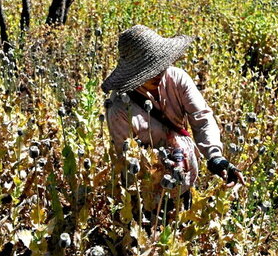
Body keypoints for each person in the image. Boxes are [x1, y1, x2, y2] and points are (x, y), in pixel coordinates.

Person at [102, 25, 245, 196]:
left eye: (160, 66)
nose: (157, 74)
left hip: (186, 174)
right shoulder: (119, 108)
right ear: (133, 72)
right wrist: (160, 162)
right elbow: (126, 157)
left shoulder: (177, 79)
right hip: (147, 188)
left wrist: (216, 157)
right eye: (148, 71)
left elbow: (202, 119)